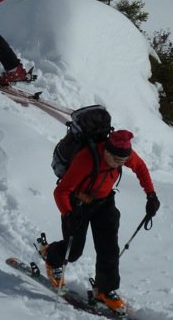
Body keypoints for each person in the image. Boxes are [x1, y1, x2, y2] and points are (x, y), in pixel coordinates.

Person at [40, 129, 160, 314]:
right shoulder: (86, 159)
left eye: (123, 161)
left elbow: (140, 168)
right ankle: (51, 257)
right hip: (77, 203)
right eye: (116, 160)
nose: (119, 164)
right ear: (107, 151)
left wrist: (150, 195)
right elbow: (61, 191)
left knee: (109, 248)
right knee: (74, 251)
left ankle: (105, 290)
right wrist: (68, 214)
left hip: (104, 202)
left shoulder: (123, 154)